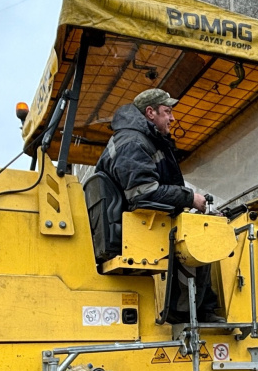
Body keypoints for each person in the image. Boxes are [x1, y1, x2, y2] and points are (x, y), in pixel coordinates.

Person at [95, 88, 223, 324]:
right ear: (151, 112)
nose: (172, 118)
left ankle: (196, 306)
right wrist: (190, 198)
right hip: (136, 225)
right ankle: (187, 311)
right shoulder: (133, 142)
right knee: (201, 235)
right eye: (168, 112)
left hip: (131, 221)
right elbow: (143, 193)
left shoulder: (140, 139)